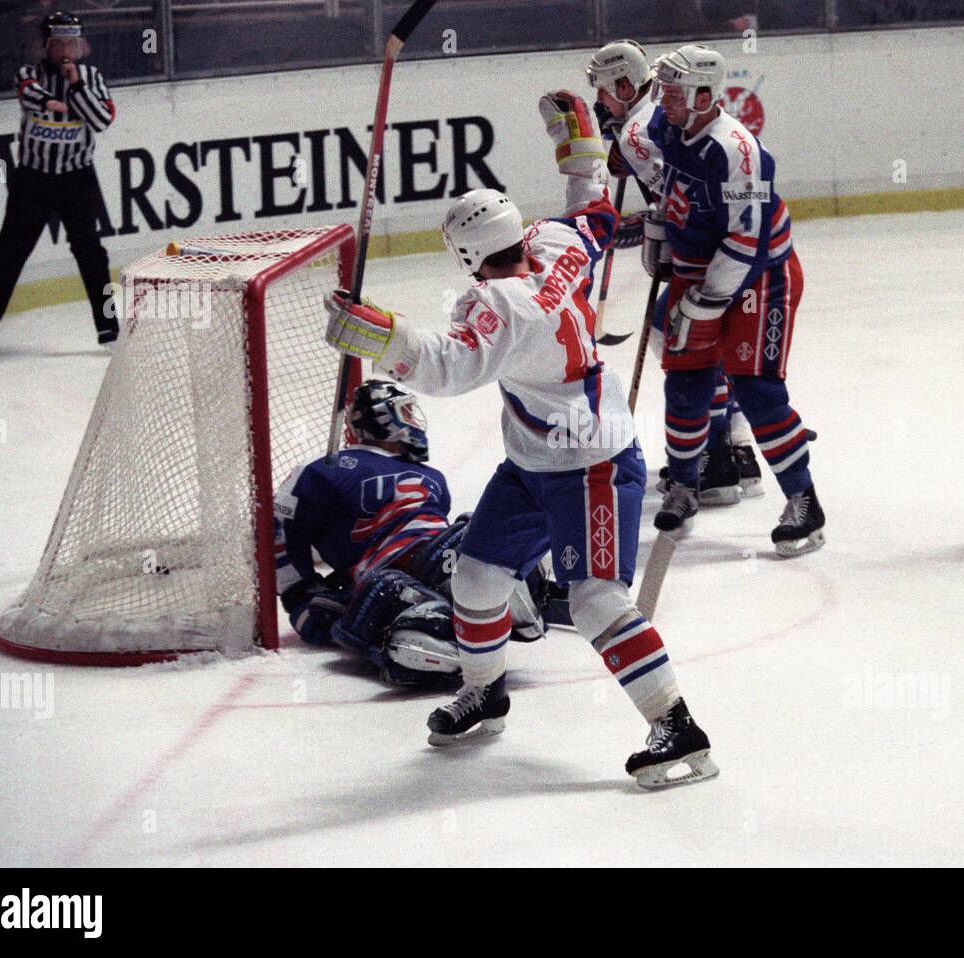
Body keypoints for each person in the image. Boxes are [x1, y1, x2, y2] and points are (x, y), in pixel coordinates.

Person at [323, 91, 717, 790]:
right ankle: (486, 694)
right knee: (475, 576)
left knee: (595, 599)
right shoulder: (553, 246)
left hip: (591, 464)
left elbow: (448, 367)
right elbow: (593, 212)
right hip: (537, 460)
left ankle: (676, 725)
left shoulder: (499, 305)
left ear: (468, 255)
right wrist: (580, 151)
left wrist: (376, 334)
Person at [641, 43, 823, 556]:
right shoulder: (668, 126)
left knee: (756, 389)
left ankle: (804, 505)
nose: (664, 100)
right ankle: (683, 484)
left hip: (757, 279)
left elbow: (746, 243)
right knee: (685, 381)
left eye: (674, 93)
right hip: (699, 272)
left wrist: (705, 303)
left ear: (704, 96)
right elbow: (668, 186)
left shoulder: (738, 153)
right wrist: (661, 235)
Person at [275, 379, 550, 687]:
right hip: (390, 574)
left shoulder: (431, 476)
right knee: (385, 601)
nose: (414, 421)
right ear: (380, 418)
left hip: (442, 559)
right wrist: (299, 592)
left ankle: (489, 608)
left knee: (475, 531)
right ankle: (465, 635)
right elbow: (281, 523)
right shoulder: (327, 468)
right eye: (405, 412)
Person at [587, 38, 766, 505]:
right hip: (734, 245)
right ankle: (738, 451)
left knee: (684, 335)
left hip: (715, 252)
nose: (598, 101)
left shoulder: (640, 129)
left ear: (626, 85)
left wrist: (647, 229)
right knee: (708, 341)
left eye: (604, 90)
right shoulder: (653, 114)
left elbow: (674, 195)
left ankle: (717, 458)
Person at [0, 11, 117, 357]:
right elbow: (30, 95)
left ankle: (109, 327)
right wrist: (64, 104)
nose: (67, 50)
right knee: (10, 253)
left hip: (77, 178)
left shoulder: (91, 77)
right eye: (59, 43)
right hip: (33, 179)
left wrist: (75, 86)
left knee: (91, 253)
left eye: (73, 43)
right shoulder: (29, 73)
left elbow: (103, 118)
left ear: (82, 46)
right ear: (47, 46)